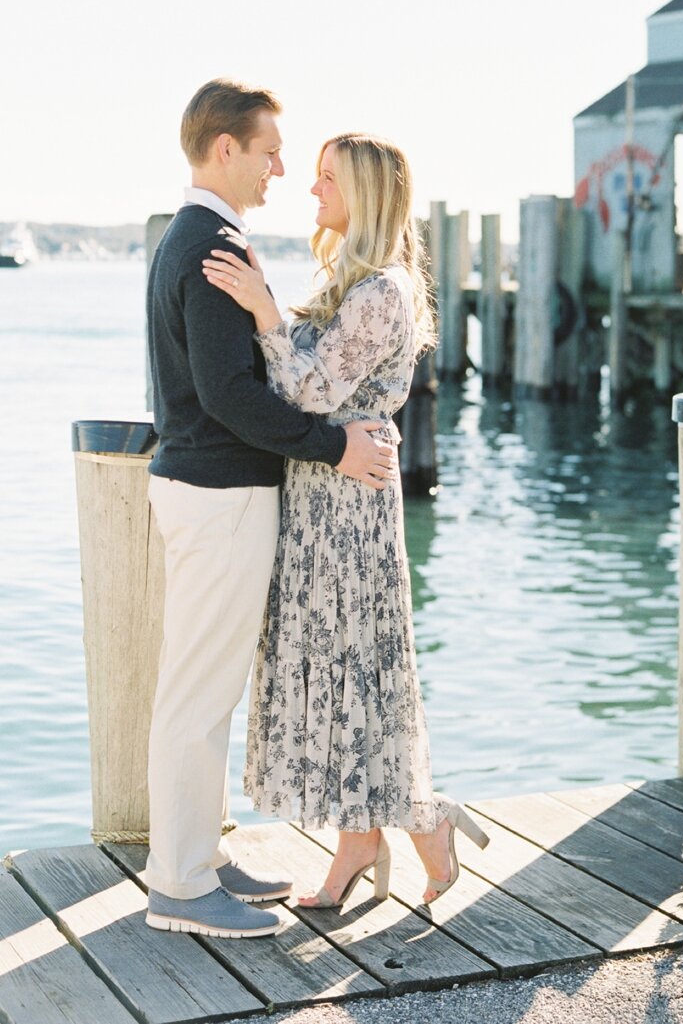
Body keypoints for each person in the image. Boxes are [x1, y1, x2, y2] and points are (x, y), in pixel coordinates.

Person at [202, 131, 491, 911]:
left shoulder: (383, 292)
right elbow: (306, 368)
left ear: (365, 193)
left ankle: (390, 830)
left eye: (328, 178)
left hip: (348, 508)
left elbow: (311, 392)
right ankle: (405, 825)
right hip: (324, 494)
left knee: (354, 667)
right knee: (341, 665)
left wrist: (262, 308)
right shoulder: (352, 281)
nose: (312, 189)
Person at [143, 80, 401, 938]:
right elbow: (228, 396)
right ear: (226, 149)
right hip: (216, 495)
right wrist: (335, 448)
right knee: (197, 692)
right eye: (267, 152)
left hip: (208, 492)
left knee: (205, 687)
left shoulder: (197, 238)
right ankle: (179, 881)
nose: (281, 169)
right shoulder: (213, 246)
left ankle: (201, 858)